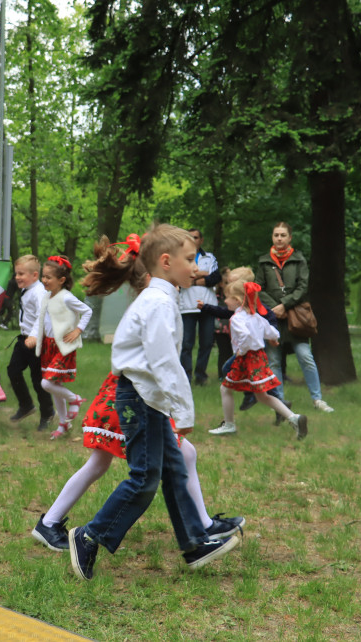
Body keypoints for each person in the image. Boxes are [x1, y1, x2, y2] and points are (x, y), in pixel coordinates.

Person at [32, 235, 246, 550]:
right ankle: (59, 525)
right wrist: (181, 407)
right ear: (161, 263)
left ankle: (200, 528)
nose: (193, 265)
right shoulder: (155, 300)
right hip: (133, 395)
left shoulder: (155, 296)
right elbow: (161, 361)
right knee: (137, 465)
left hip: (129, 392)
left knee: (165, 457)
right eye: (187, 259)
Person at [207, 280, 308, 439]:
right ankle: (293, 418)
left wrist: (241, 350)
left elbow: (245, 336)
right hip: (259, 357)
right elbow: (273, 333)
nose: (225, 301)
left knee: (225, 389)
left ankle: (229, 425)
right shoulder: (256, 317)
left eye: (227, 297)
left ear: (238, 301)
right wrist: (273, 339)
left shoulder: (237, 319)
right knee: (262, 396)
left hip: (246, 358)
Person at [255, 222, 334, 412]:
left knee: (305, 357)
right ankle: (280, 402)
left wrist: (285, 304)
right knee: (274, 360)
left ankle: (318, 400)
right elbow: (258, 287)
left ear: (290, 238)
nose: (279, 238)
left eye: (283, 235)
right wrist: (275, 307)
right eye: (276, 235)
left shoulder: (299, 260)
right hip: (273, 318)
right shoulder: (264, 261)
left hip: (294, 317)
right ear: (272, 237)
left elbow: (303, 287)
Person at [30, 255, 92, 440]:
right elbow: (41, 319)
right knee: (55, 384)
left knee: (46, 383)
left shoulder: (67, 298)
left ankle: (75, 399)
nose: (44, 280)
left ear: (61, 280)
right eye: (43, 276)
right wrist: (34, 336)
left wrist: (78, 330)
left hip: (63, 346)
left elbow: (87, 311)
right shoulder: (47, 297)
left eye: (48, 277)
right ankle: (64, 423)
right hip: (49, 346)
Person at [6, 254, 56, 431]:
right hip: (24, 339)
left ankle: (48, 412)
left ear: (35, 275)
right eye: (16, 274)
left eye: (21, 274)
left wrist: (35, 336)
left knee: (38, 380)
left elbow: (42, 317)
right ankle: (26, 405)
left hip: (37, 341)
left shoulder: (39, 292)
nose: (17, 277)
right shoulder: (27, 289)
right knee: (13, 370)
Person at [177, 229, 219, 385]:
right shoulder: (179, 257)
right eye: (190, 237)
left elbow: (214, 277)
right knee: (186, 344)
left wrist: (192, 279)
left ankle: (201, 375)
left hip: (207, 306)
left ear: (201, 240)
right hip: (186, 306)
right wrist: (201, 275)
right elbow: (180, 277)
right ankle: (185, 377)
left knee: (206, 342)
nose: (192, 240)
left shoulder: (209, 257)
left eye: (195, 237)